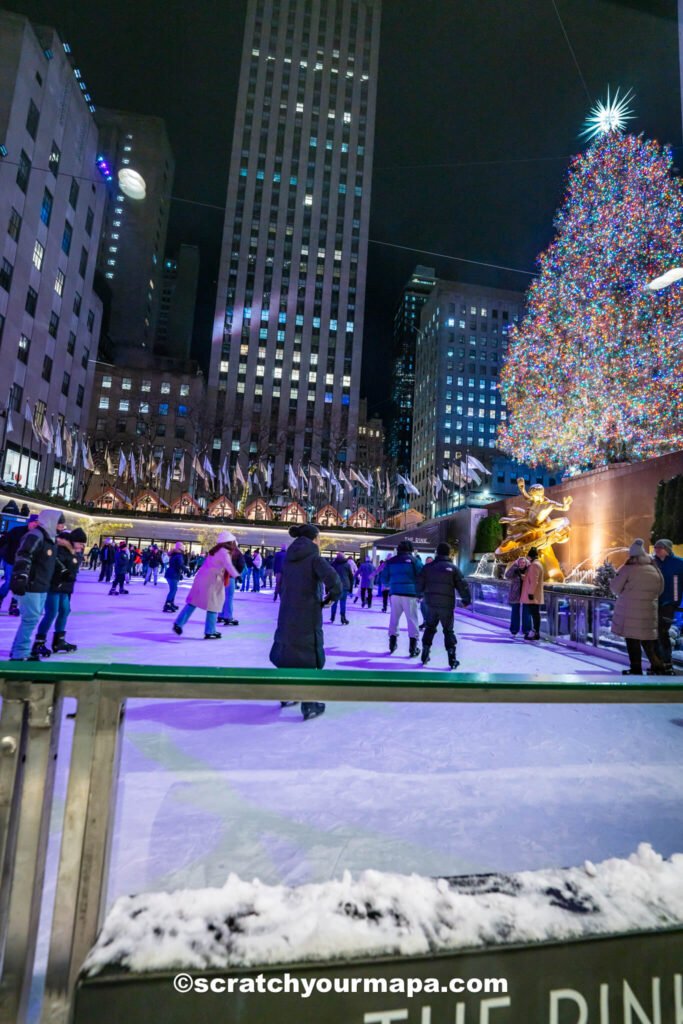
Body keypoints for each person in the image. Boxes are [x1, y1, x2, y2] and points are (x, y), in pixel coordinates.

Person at [270, 523, 341, 721]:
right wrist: (330, 598)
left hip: (287, 611)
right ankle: (309, 704)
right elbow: (334, 580)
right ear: (314, 539)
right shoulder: (314, 559)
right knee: (307, 653)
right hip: (307, 612)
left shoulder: (289, 559)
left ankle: (287, 695)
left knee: (288, 650)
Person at [9, 509, 65, 661]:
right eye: (60, 524)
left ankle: (18, 650)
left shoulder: (50, 538)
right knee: (30, 619)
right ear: (52, 522)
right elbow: (24, 555)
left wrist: (61, 571)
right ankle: (20, 653)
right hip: (31, 584)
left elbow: (49, 561)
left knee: (32, 618)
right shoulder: (35, 535)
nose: (62, 527)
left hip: (42, 584)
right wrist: (21, 576)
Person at [610, 539, 666, 676]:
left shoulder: (628, 568)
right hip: (649, 610)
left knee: (632, 640)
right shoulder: (654, 568)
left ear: (632, 555)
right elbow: (661, 589)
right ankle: (657, 666)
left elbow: (615, 589)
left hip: (630, 611)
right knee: (648, 640)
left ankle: (636, 668)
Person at [173, 531, 239, 638]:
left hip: (201, 578)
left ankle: (179, 623)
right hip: (212, 580)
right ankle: (210, 631)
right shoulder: (224, 551)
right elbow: (228, 565)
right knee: (214, 604)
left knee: (193, 602)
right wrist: (237, 575)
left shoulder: (215, 550)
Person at [416, 542, 472, 668]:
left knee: (430, 628)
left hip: (430, 604)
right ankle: (452, 659)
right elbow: (462, 585)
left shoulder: (427, 567)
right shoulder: (453, 568)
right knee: (448, 631)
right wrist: (466, 600)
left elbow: (419, 582)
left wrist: (419, 594)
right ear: (448, 553)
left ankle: (425, 653)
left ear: (437, 552)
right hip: (446, 606)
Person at [33, 528, 87, 655]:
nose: (82, 546)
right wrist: (63, 573)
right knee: (51, 613)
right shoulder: (60, 551)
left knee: (65, 611)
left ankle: (59, 641)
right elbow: (53, 566)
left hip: (65, 588)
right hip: (54, 587)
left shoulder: (74, 552)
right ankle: (39, 642)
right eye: (80, 543)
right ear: (72, 541)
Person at [380, 540, 424, 656]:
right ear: (411, 549)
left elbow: (383, 576)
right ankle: (413, 648)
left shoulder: (391, 561)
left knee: (394, 618)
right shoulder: (415, 561)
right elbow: (422, 576)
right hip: (410, 594)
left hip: (394, 593)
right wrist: (421, 592)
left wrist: (390, 584)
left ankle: (392, 643)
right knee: (412, 620)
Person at [652, 538, 683, 674]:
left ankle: (666, 662)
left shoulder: (678, 563)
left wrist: (675, 600)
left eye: (660, 547)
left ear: (667, 549)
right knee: (654, 633)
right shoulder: (652, 563)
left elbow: (678, 583)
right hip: (653, 603)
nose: (657, 550)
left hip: (668, 603)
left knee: (662, 632)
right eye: (656, 547)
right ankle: (658, 662)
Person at [0, 512, 40, 616]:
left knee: (20, 583)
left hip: (24, 563)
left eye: (38, 523)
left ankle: (13, 605)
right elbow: (4, 542)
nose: (35, 525)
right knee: (9, 582)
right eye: (34, 522)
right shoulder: (17, 531)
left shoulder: (37, 535)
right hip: (10, 560)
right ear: (29, 522)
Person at [218, 541, 244, 626]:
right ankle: (228, 616)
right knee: (229, 597)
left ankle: (221, 615)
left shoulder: (223, 551)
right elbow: (241, 565)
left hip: (221, 577)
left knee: (222, 596)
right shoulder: (237, 552)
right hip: (230, 577)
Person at [520, 546, 544, 640]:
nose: (528, 559)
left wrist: (530, 593)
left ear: (531, 557)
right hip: (534, 594)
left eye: (528, 557)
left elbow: (534, 581)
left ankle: (535, 633)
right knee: (535, 614)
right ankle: (535, 632)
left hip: (533, 595)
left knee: (535, 614)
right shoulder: (537, 564)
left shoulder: (534, 565)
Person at [505, 556, 530, 637]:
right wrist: (514, 566)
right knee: (515, 612)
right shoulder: (515, 570)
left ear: (526, 563)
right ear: (517, 563)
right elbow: (507, 575)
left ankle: (527, 630)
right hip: (516, 594)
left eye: (523, 562)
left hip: (526, 594)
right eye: (520, 562)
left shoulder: (529, 570)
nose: (521, 564)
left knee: (526, 613)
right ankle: (514, 630)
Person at [330, 552, 353, 624]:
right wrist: (351, 588)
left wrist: (328, 587)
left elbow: (329, 576)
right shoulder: (347, 565)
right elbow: (351, 577)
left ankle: (332, 617)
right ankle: (343, 618)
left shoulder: (333, 564)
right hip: (345, 586)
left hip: (335, 586)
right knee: (343, 602)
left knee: (334, 602)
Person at [163, 542, 185, 613]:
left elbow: (176, 565)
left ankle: (171, 603)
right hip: (173, 574)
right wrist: (187, 570)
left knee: (173, 589)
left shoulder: (174, 554)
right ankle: (168, 604)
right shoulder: (179, 555)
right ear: (180, 548)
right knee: (173, 589)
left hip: (171, 573)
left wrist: (180, 574)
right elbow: (180, 565)